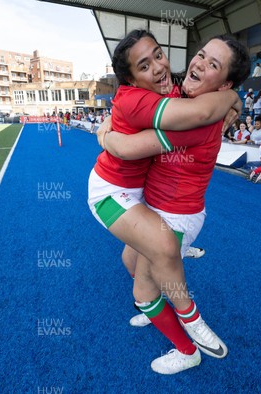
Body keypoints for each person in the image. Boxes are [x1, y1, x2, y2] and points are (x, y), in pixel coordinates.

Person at [89, 30, 244, 374]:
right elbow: (131, 113)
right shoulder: (178, 97)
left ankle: (187, 345)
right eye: (201, 55)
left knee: (144, 288)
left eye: (213, 63)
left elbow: (129, 147)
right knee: (130, 261)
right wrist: (234, 96)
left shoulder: (196, 117)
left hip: (173, 215)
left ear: (225, 82)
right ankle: (160, 303)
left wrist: (106, 135)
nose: (199, 62)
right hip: (138, 198)